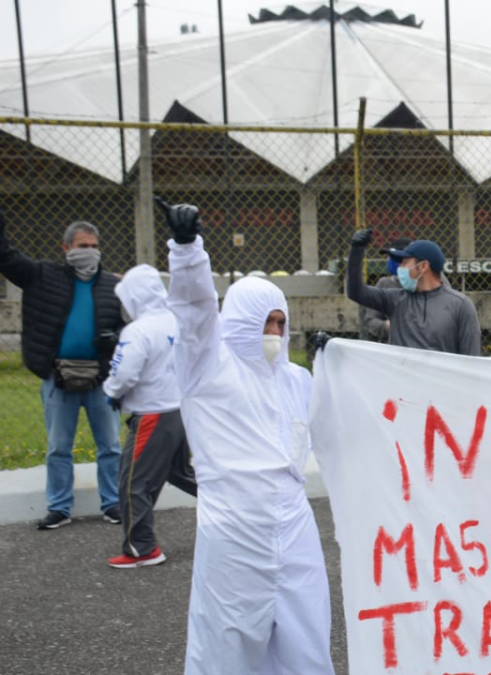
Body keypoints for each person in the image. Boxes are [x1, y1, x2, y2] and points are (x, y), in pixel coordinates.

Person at [157, 198, 334, 674]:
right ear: (238, 320)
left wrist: (335, 364)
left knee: (306, 634)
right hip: (234, 527)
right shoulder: (207, 367)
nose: (273, 331)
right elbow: (194, 313)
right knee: (228, 641)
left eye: (280, 322)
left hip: (293, 522)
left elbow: (337, 419)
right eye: (264, 321)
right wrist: (187, 252)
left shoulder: (295, 379)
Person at [0, 209, 124, 530]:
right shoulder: (42, 276)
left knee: (110, 446)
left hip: (100, 379)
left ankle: (113, 503)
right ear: (66, 248)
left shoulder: (113, 285)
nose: (89, 252)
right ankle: (59, 507)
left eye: (94, 246)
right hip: (58, 377)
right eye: (82, 246)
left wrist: (116, 338)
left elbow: (129, 325)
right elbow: (6, 257)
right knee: (58, 448)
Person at [102, 264, 198, 568]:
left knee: (133, 482)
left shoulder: (137, 330)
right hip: (180, 410)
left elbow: (124, 375)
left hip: (152, 414)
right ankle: (240, 509)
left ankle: (142, 548)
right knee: (182, 473)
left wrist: (111, 391)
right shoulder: (176, 321)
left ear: (133, 296)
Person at [345, 229, 481, 356]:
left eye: (404, 263)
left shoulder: (460, 305)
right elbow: (355, 291)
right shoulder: (395, 300)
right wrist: (357, 250)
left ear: (423, 266)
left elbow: (472, 360)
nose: (400, 268)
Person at [358, 237, 410, 342]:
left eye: (396, 258)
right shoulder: (386, 283)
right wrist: (386, 325)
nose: (390, 261)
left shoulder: (425, 283)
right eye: (390, 257)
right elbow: (371, 321)